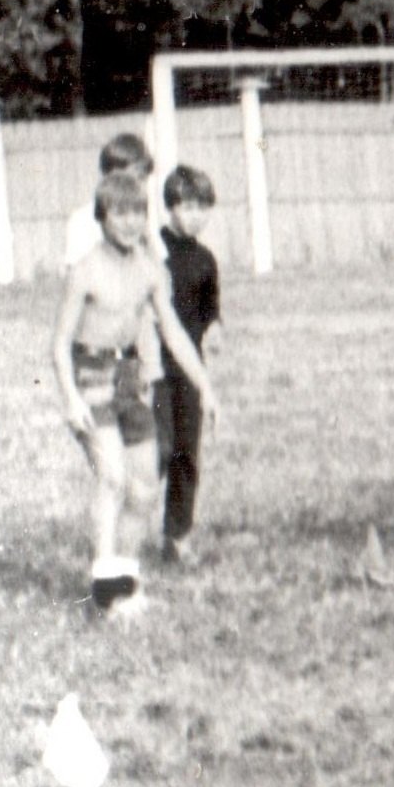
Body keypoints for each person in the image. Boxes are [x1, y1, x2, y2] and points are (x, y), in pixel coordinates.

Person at [52, 174, 218, 613]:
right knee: (111, 477)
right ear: (102, 217)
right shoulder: (85, 269)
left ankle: (125, 579)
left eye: (136, 213)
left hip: (130, 377)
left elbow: (174, 331)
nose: (129, 223)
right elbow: (59, 344)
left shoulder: (150, 269)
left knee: (144, 489)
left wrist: (205, 385)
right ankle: (103, 589)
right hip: (90, 377)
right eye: (119, 213)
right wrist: (71, 398)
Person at [151, 166, 223, 566]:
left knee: (187, 452)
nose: (196, 215)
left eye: (203, 207)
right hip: (157, 366)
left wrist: (215, 330)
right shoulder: (154, 250)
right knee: (159, 450)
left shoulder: (206, 259)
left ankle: (177, 537)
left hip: (190, 368)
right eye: (188, 206)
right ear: (170, 206)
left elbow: (212, 311)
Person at [64, 133, 155, 272]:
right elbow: (76, 273)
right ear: (108, 175)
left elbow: (156, 267)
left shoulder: (143, 217)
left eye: (142, 178)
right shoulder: (84, 220)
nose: (137, 185)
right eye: (132, 178)